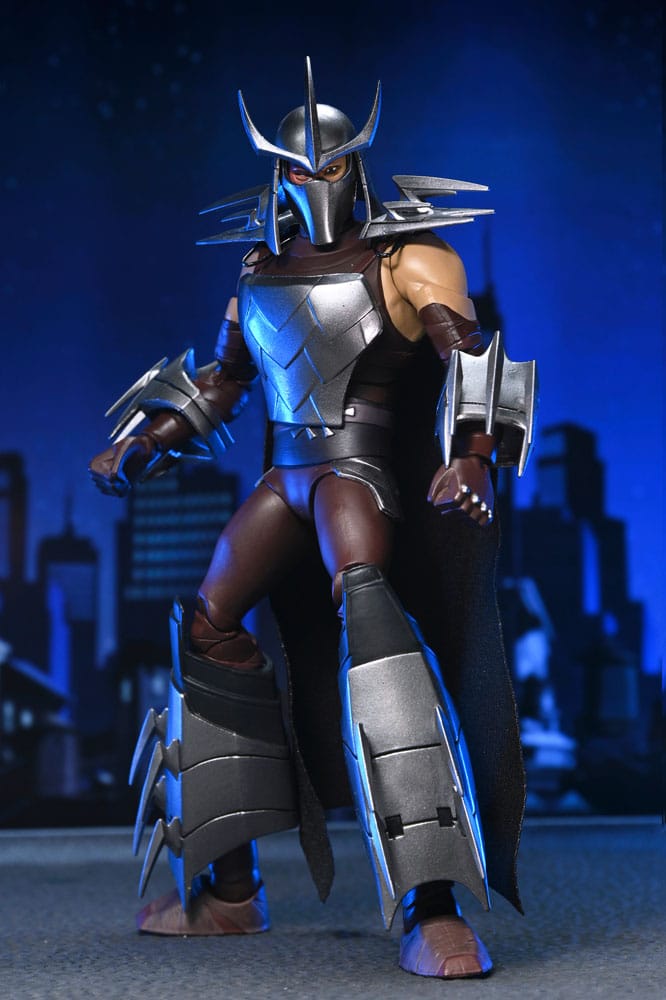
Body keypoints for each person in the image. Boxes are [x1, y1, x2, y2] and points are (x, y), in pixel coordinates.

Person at [90, 59, 537, 980]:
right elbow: (225, 383)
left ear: (356, 164)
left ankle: (435, 907)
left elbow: (473, 356)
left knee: (374, 622)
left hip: (356, 475)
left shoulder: (407, 259)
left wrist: (470, 456)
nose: (312, 182)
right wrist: (146, 442)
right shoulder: (258, 270)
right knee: (209, 630)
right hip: (285, 479)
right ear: (278, 173)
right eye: (295, 169)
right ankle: (231, 891)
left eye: (329, 166)